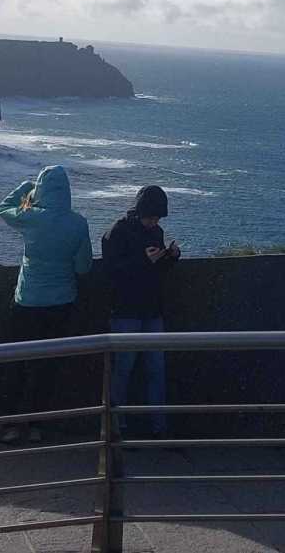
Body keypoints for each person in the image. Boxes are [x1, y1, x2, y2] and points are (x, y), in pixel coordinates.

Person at [0, 165, 94, 445]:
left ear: (42, 190)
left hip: (27, 301)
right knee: (46, 368)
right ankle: (36, 426)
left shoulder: (31, 217)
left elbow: (4, 208)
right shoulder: (78, 223)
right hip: (61, 304)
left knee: (16, 363)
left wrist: (26, 187)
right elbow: (84, 267)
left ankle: (8, 425)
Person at [101, 185, 180, 439]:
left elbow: (154, 272)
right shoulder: (116, 233)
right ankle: (118, 425)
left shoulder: (156, 232)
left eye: (156, 219)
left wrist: (170, 258)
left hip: (151, 309)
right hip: (125, 311)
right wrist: (144, 260)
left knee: (157, 368)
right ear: (138, 212)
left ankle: (159, 424)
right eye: (150, 217)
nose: (152, 223)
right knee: (123, 368)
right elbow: (112, 274)